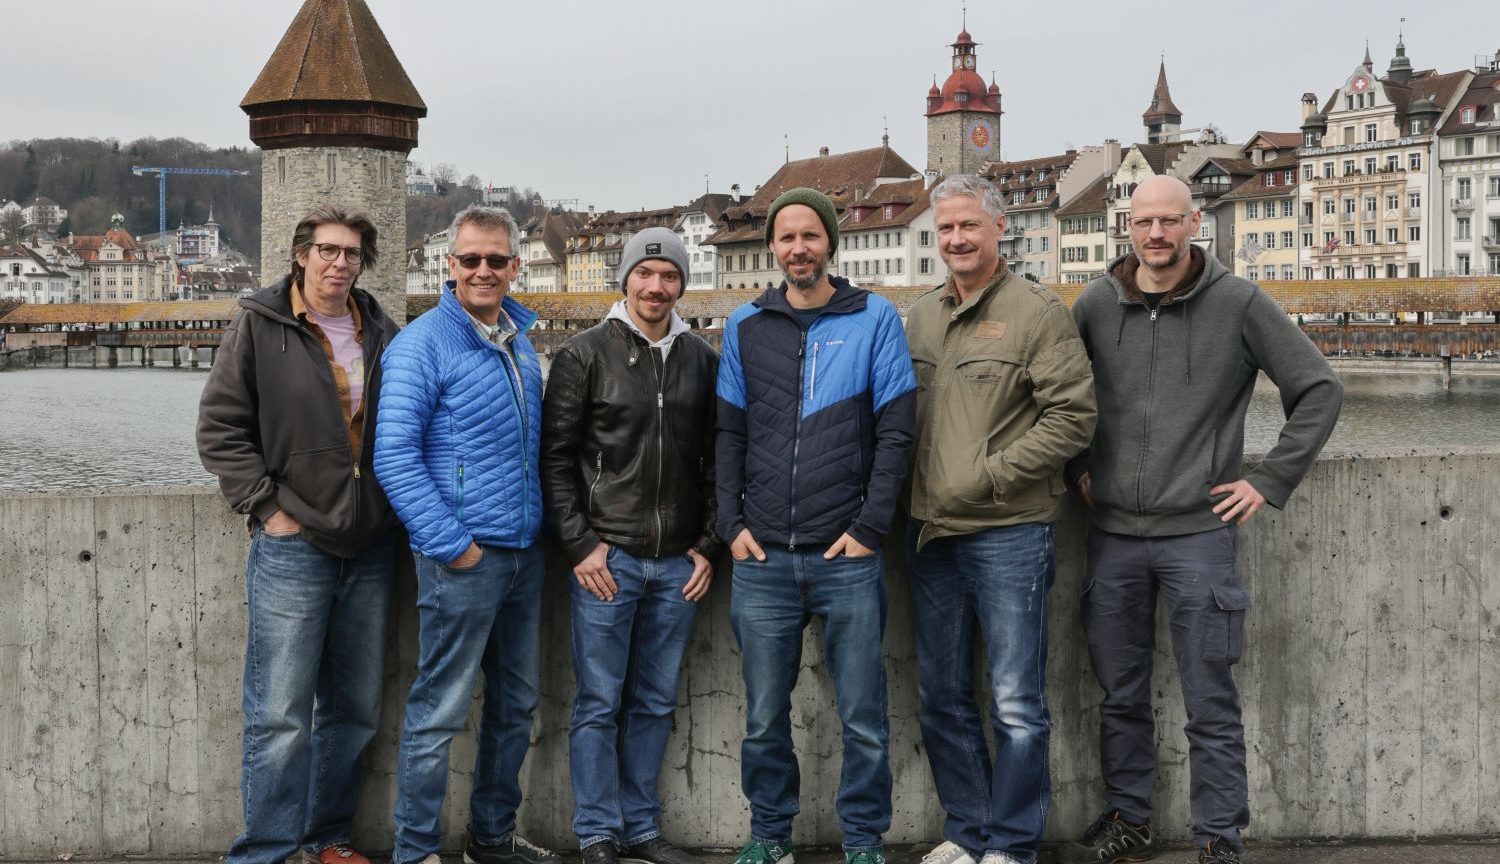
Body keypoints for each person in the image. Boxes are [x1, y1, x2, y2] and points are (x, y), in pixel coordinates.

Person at [1064, 175, 1343, 864]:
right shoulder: (1096, 304)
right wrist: (1075, 470)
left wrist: (1269, 480)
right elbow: (1062, 400)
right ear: (1126, 227)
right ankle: (1130, 818)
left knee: (1209, 700)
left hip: (1200, 536)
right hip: (1115, 537)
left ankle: (1219, 837)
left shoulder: (1240, 303)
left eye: (1169, 221)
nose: (1155, 234)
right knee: (1120, 693)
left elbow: (1319, 389)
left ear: (1194, 223)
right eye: (1142, 222)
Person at [716, 187, 916, 864]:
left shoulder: (875, 319)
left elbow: (896, 433)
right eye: (786, 237)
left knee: (862, 718)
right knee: (765, 718)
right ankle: (770, 836)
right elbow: (727, 433)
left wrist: (869, 527)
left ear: (830, 242)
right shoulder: (745, 324)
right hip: (764, 557)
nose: (798, 247)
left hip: (847, 555)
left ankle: (864, 840)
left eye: (810, 235)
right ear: (771, 246)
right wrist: (728, 523)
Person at [903, 175, 1097, 864]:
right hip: (929, 534)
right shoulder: (921, 316)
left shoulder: (1037, 312)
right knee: (942, 695)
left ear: (997, 228)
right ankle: (968, 831)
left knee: (1016, 701)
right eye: (945, 229)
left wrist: (992, 475)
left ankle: (1013, 845)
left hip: (1009, 531)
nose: (956, 239)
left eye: (968, 227)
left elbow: (1073, 416)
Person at [197, 205, 398, 864]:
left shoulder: (383, 332)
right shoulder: (261, 325)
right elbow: (222, 428)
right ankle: (266, 852)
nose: (339, 263)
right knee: (280, 715)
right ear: (301, 254)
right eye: (328, 250)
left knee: (355, 710)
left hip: (368, 546)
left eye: (351, 253)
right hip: (294, 544)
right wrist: (267, 509)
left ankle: (326, 840)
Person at [374, 205, 556, 864]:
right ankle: (416, 849)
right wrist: (451, 543)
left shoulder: (517, 340)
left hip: (522, 554)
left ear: (514, 265)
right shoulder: (422, 345)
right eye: (471, 259)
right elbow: (394, 456)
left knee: (516, 705)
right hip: (463, 557)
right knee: (440, 707)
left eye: (496, 260)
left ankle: (491, 837)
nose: (484, 270)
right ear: (449, 266)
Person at [540, 227, 719, 864]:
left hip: (677, 563)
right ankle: (597, 832)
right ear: (625, 280)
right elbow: (555, 460)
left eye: (669, 276)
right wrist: (581, 545)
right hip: (607, 558)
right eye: (645, 274)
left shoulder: (701, 357)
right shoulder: (583, 355)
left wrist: (707, 542)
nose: (656, 286)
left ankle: (641, 827)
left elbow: (717, 460)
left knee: (652, 701)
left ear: (681, 284)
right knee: (597, 701)